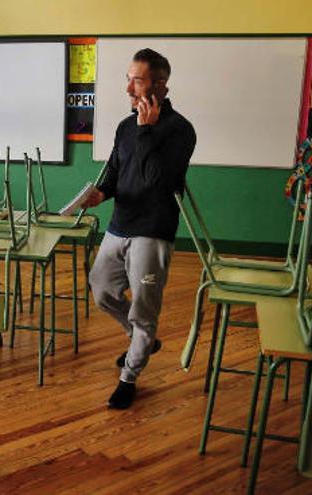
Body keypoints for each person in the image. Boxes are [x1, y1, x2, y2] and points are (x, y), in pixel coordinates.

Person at [82, 48, 196, 409]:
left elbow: (156, 181)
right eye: (128, 78)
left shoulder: (180, 131)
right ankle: (140, 339)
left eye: (138, 80)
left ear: (160, 86)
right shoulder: (125, 127)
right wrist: (102, 193)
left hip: (153, 230)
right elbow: (117, 172)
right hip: (120, 225)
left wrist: (147, 132)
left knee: (145, 311)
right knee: (100, 290)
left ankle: (129, 377)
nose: (128, 89)